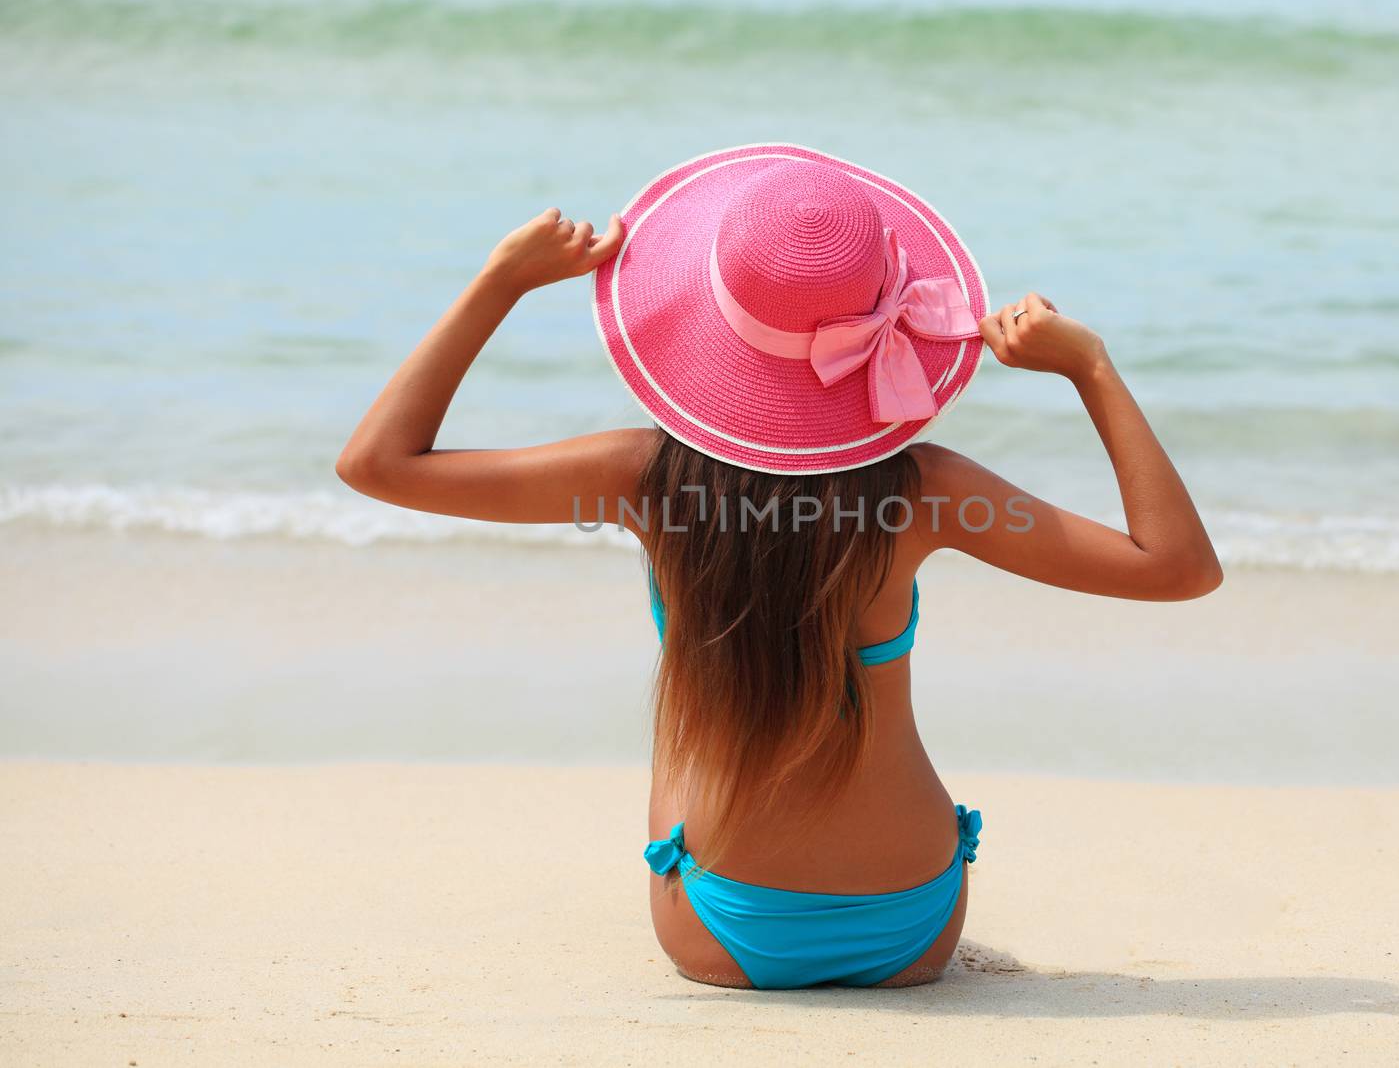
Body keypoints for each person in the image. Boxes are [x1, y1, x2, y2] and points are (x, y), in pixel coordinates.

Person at [336, 143, 1221, 990]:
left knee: (694, 723)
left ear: (709, 326)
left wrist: (504, 282)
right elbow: (1178, 566)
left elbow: (377, 463)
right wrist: (1090, 369)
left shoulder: (641, 479)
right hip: (912, 922)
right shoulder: (928, 489)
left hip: (727, 923)